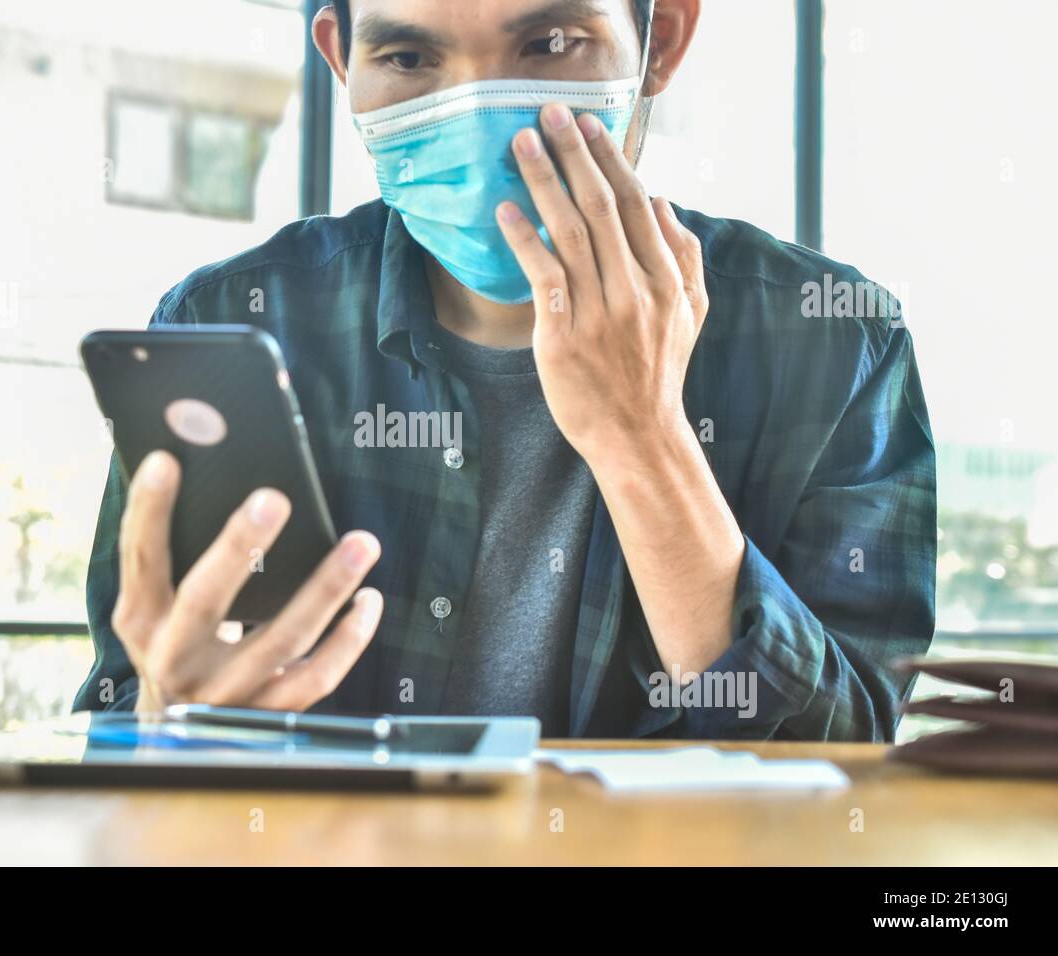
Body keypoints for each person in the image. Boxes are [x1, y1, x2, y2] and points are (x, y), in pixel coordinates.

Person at [74, 0, 935, 740]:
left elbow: (846, 766)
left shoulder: (835, 343)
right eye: (409, 57)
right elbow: (117, 726)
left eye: (551, 43)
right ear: (341, 61)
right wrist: (167, 719)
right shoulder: (230, 325)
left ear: (661, 40)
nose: (476, 110)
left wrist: (644, 440)